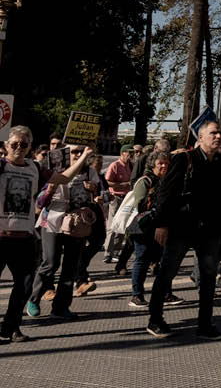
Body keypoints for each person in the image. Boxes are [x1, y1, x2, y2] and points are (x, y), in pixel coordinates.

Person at [1, 128, 94, 344]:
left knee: (24, 286)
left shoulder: (35, 168)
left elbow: (64, 177)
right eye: (14, 143)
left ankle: (11, 327)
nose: (18, 148)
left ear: (29, 148)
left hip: (24, 237)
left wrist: (86, 156)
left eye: (23, 145)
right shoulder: (1, 165)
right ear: (6, 145)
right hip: (1, 236)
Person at [146, 120, 221, 340]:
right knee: (167, 272)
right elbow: (165, 193)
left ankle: (205, 324)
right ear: (201, 137)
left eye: (220, 133)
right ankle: (155, 319)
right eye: (213, 133)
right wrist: (162, 224)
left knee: (207, 278)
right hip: (181, 226)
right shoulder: (184, 159)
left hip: (210, 230)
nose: (218, 136)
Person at [28, 144, 102, 319]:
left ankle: (60, 307)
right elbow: (39, 203)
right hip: (52, 221)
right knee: (51, 262)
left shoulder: (90, 172)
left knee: (70, 265)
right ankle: (34, 298)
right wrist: (49, 190)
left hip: (76, 224)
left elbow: (96, 199)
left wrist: (93, 192)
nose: (77, 154)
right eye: (74, 151)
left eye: (80, 151)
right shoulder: (52, 170)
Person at [127, 152, 182, 308]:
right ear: (153, 165)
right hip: (143, 229)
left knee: (164, 261)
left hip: (162, 227)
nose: (164, 166)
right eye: (160, 163)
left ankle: (166, 293)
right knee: (142, 261)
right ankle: (136, 296)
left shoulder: (168, 180)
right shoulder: (145, 181)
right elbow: (140, 206)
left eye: (166, 163)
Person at [103, 145, 136, 263]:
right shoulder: (115, 165)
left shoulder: (130, 165)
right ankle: (108, 253)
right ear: (122, 153)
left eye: (132, 153)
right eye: (129, 153)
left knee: (122, 225)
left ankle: (116, 252)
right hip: (116, 197)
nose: (131, 156)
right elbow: (108, 182)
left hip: (126, 198)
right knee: (112, 225)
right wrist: (123, 185)